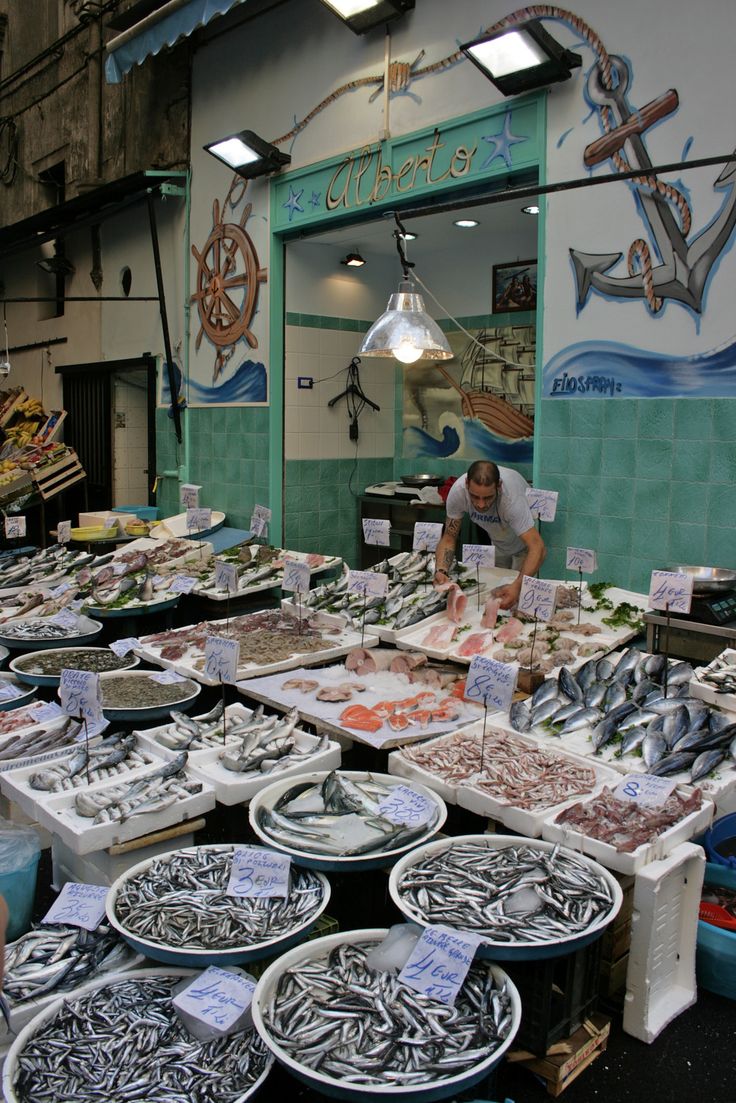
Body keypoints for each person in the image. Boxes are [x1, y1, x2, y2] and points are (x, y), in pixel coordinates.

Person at [433, 460, 546, 609]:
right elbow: (449, 536)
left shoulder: (511, 500)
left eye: (487, 498)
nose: (481, 504)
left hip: (523, 544)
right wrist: (441, 569)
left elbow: (537, 547)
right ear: (467, 484)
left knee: (517, 597)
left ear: (498, 486)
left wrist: (517, 586)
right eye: (474, 496)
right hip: (498, 540)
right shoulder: (458, 492)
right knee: (497, 591)